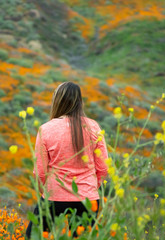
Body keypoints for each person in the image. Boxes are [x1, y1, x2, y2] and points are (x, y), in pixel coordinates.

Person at [26, 82, 108, 239]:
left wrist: (44, 192)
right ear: (79, 101)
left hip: (54, 195)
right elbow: (103, 168)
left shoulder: (46, 129)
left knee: (33, 236)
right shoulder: (94, 127)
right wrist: (91, 187)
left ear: (57, 101)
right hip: (87, 199)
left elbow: (41, 172)